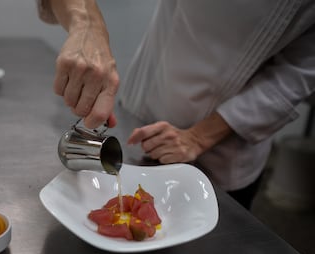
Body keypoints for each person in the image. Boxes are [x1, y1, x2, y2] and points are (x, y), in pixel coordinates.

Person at [37, 0, 315, 209]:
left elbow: (298, 74)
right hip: (145, 104)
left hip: (229, 149)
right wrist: (87, 26)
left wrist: (199, 136)